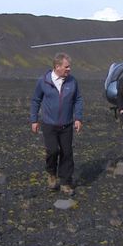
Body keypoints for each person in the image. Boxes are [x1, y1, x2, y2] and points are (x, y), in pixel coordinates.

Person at [30, 52, 83, 196]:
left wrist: (78, 118)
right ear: (57, 66)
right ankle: (52, 174)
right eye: (66, 67)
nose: (69, 69)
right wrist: (34, 120)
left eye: (69, 67)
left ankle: (65, 183)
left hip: (67, 124)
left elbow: (78, 99)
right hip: (49, 124)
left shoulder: (72, 81)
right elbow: (35, 100)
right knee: (53, 151)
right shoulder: (43, 81)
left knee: (67, 153)